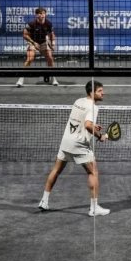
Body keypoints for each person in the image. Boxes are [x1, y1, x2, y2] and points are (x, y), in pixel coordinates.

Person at [38, 80, 111, 217]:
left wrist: (94, 126)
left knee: (56, 170)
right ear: (92, 92)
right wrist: (100, 135)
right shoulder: (93, 108)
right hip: (79, 145)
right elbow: (87, 125)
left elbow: (81, 121)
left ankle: (44, 200)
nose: (103, 93)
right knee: (93, 172)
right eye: (100, 91)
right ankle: (94, 208)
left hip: (66, 141)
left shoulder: (78, 101)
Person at [16, 7, 59, 87]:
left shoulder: (48, 23)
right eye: (39, 13)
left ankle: (54, 78)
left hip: (43, 42)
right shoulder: (31, 24)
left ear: (45, 14)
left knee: (50, 58)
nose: (41, 15)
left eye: (43, 13)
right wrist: (33, 42)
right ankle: (21, 79)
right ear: (36, 15)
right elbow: (25, 35)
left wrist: (53, 43)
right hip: (32, 42)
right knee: (30, 59)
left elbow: (52, 34)